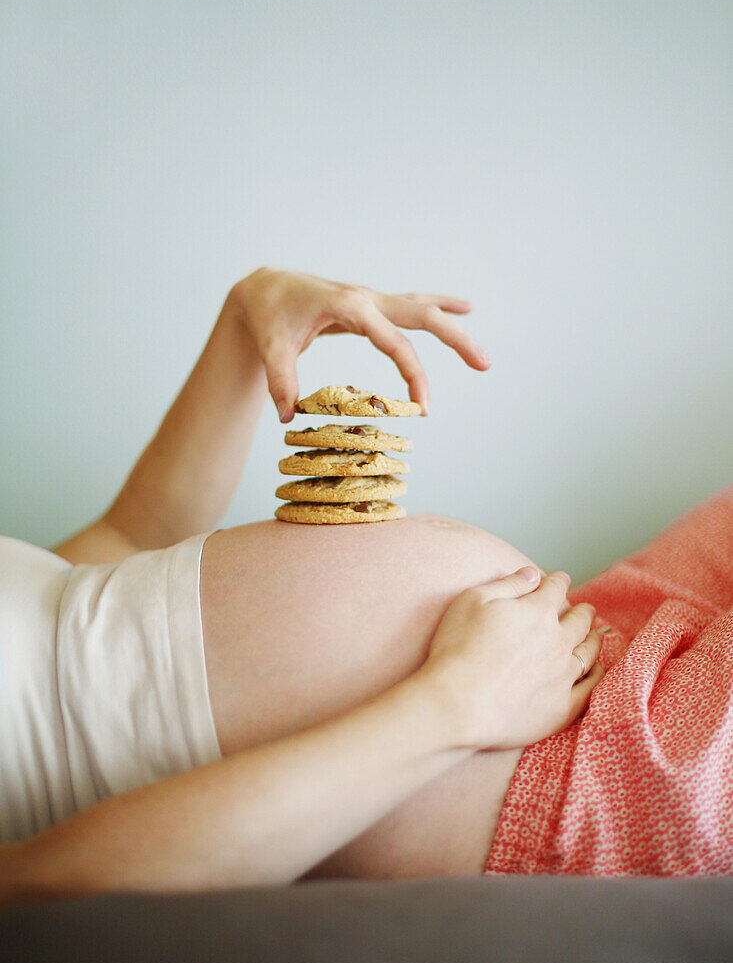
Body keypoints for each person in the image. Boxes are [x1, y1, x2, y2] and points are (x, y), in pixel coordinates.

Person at [1, 266, 729, 900]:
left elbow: (107, 562)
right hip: (567, 773)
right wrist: (453, 704)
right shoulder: (473, 706)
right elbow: (47, 879)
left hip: (580, 639)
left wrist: (243, 322)